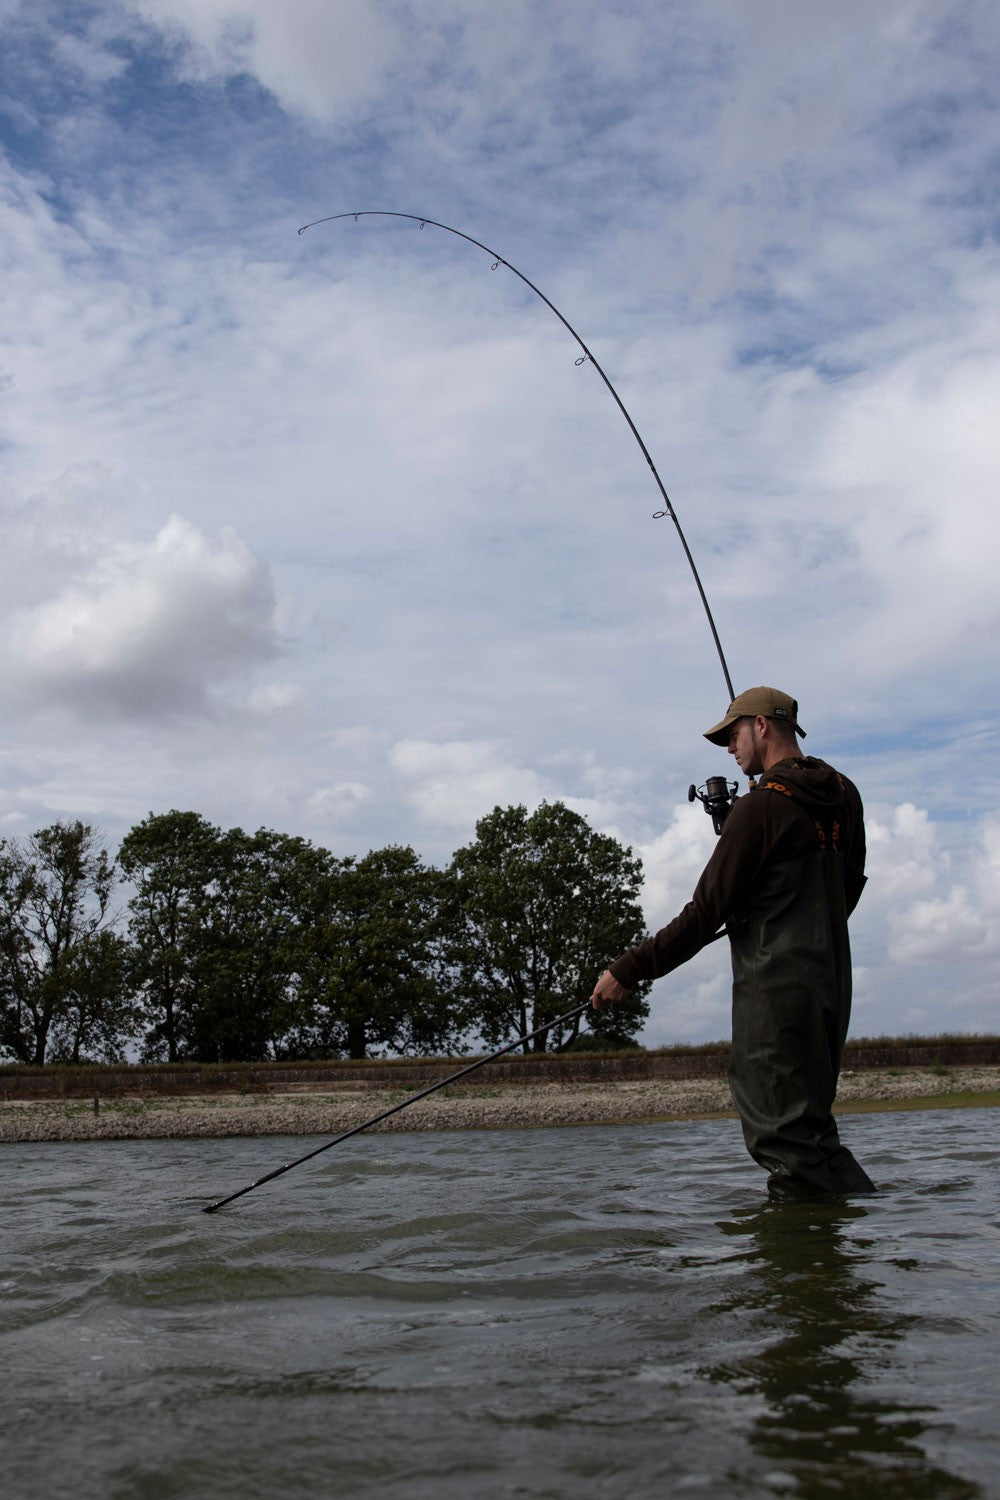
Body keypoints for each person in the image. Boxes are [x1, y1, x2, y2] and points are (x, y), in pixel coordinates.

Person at [590, 686, 876, 1200]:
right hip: (832, 986)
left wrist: (628, 969)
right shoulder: (846, 795)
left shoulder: (761, 807)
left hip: (776, 997)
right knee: (816, 1134)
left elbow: (703, 915)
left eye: (732, 733)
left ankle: (799, 1275)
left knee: (784, 1139)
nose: (728, 748)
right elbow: (848, 890)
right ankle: (856, 1249)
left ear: (762, 726)